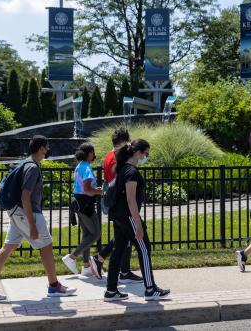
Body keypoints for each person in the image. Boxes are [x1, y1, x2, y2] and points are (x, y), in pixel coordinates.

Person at [0, 135, 76, 300]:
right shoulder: (33, 167)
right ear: (42, 148)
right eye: (47, 147)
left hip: (17, 212)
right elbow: (25, 197)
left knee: (8, 247)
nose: (48, 150)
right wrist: (32, 225)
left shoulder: (24, 163)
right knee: (46, 246)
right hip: (25, 212)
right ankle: (54, 286)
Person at [104, 139, 170, 301]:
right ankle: (150, 288)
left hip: (118, 216)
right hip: (128, 216)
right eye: (145, 153)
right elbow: (131, 200)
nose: (146, 157)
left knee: (118, 250)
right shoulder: (131, 172)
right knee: (144, 248)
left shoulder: (123, 169)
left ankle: (111, 291)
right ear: (138, 152)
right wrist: (138, 225)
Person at [84, 128, 141, 283]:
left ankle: (123, 270)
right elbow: (122, 179)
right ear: (123, 141)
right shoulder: (117, 157)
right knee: (126, 234)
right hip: (120, 201)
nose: (129, 145)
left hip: (113, 200)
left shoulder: (109, 156)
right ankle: (103, 259)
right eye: (128, 141)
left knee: (123, 235)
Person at [62, 143, 103, 278]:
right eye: (93, 152)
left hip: (79, 203)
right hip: (86, 204)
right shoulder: (86, 167)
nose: (94, 155)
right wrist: (101, 191)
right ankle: (72, 256)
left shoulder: (80, 166)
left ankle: (86, 266)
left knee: (87, 234)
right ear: (89, 153)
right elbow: (88, 189)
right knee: (95, 234)